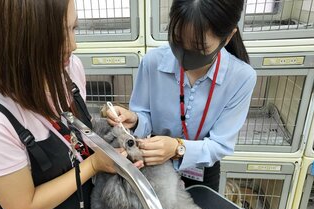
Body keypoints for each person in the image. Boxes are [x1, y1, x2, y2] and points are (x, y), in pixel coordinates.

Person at [0, 0, 139, 209]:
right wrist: (93, 165)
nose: (73, 45)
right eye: (59, 35)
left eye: (74, 28)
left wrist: (106, 125)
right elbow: (24, 208)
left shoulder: (69, 69)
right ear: (17, 41)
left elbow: (71, 136)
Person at [107, 0, 257, 191]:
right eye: (177, 40)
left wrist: (178, 148)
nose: (184, 55)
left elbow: (220, 144)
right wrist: (135, 120)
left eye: (199, 47)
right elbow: (144, 117)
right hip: (152, 162)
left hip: (201, 169)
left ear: (227, 38)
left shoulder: (241, 77)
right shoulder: (153, 62)